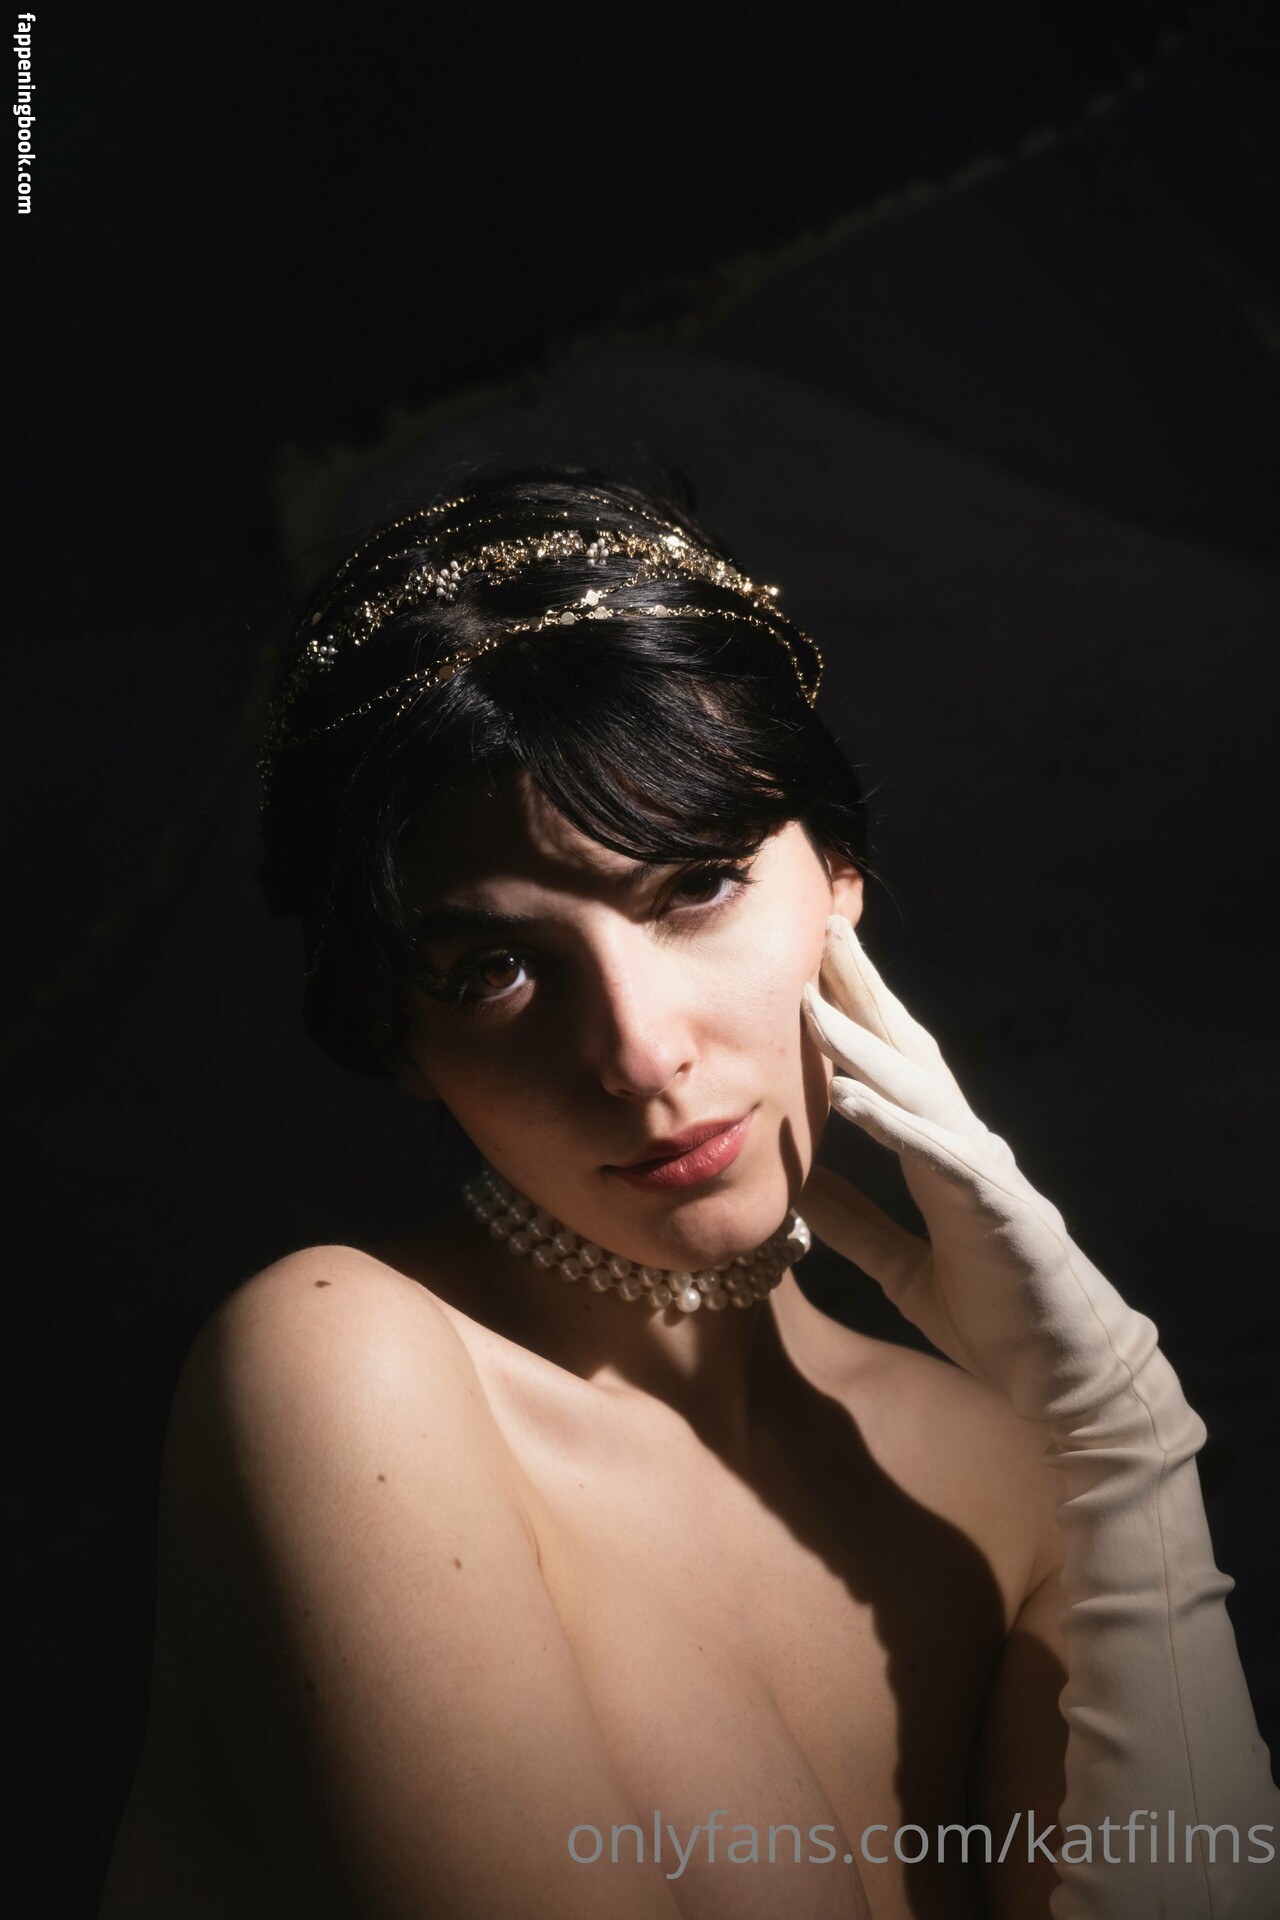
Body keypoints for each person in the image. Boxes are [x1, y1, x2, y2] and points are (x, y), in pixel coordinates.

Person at [99, 466, 1277, 1920]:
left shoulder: (1008, 1483)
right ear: (400, 1039)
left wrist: (1128, 1445)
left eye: (695, 886)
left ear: (838, 873)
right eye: (497, 968)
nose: (638, 1053)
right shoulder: (342, 1365)